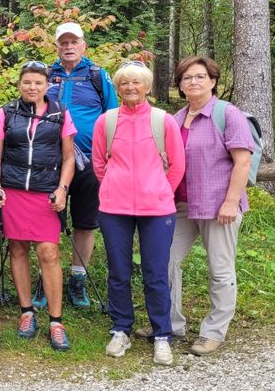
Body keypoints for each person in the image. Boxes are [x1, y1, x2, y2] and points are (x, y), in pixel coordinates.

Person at [151, 56, 251, 356]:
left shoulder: (227, 114)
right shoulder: (176, 119)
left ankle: (213, 332)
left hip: (218, 205)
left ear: (213, 81)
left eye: (200, 76)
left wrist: (231, 202)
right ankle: (170, 324)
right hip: (181, 204)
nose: (193, 82)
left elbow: (242, 161)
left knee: (220, 269)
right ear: (180, 85)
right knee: (165, 260)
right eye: (187, 78)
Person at [92, 61, 186, 365]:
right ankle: (121, 329)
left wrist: (160, 191)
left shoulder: (163, 120)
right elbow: (98, 163)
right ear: (117, 88)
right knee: (118, 272)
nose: (130, 87)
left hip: (157, 209)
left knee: (155, 273)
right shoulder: (106, 121)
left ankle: (162, 335)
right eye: (124, 83)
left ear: (147, 87)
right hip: (114, 209)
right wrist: (113, 187)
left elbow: (178, 165)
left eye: (136, 82)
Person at [0, 61, 76, 352]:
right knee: (17, 249)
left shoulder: (60, 113)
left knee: (49, 252)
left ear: (47, 85)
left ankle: (56, 321)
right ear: (19, 84)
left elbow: (68, 157)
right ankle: (26, 312)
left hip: (46, 192)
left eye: (38, 82)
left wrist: (62, 189)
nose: (32, 87)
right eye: (27, 82)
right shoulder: (6, 112)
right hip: (13, 191)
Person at [44, 22, 118, 309]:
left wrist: (110, 156)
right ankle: (46, 277)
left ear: (83, 45)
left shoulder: (98, 76)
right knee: (48, 221)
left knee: (85, 222)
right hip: (51, 160)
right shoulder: (46, 75)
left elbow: (113, 117)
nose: (69, 47)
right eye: (63, 42)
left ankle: (77, 279)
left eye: (73, 42)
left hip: (90, 159)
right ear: (56, 47)